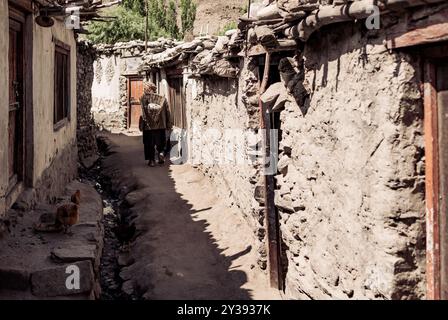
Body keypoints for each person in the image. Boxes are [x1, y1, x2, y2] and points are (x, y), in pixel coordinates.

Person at [139, 81, 172, 167]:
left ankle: (152, 160)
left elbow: (142, 113)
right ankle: (161, 154)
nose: (144, 90)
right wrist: (169, 124)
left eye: (144, 88)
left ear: (147, 89)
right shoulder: (162, 99)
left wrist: (141, 124)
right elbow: (168, 112)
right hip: (160, 126)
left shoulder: (143, 98)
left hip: (148, 127)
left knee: (149, 144)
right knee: (160, 142)